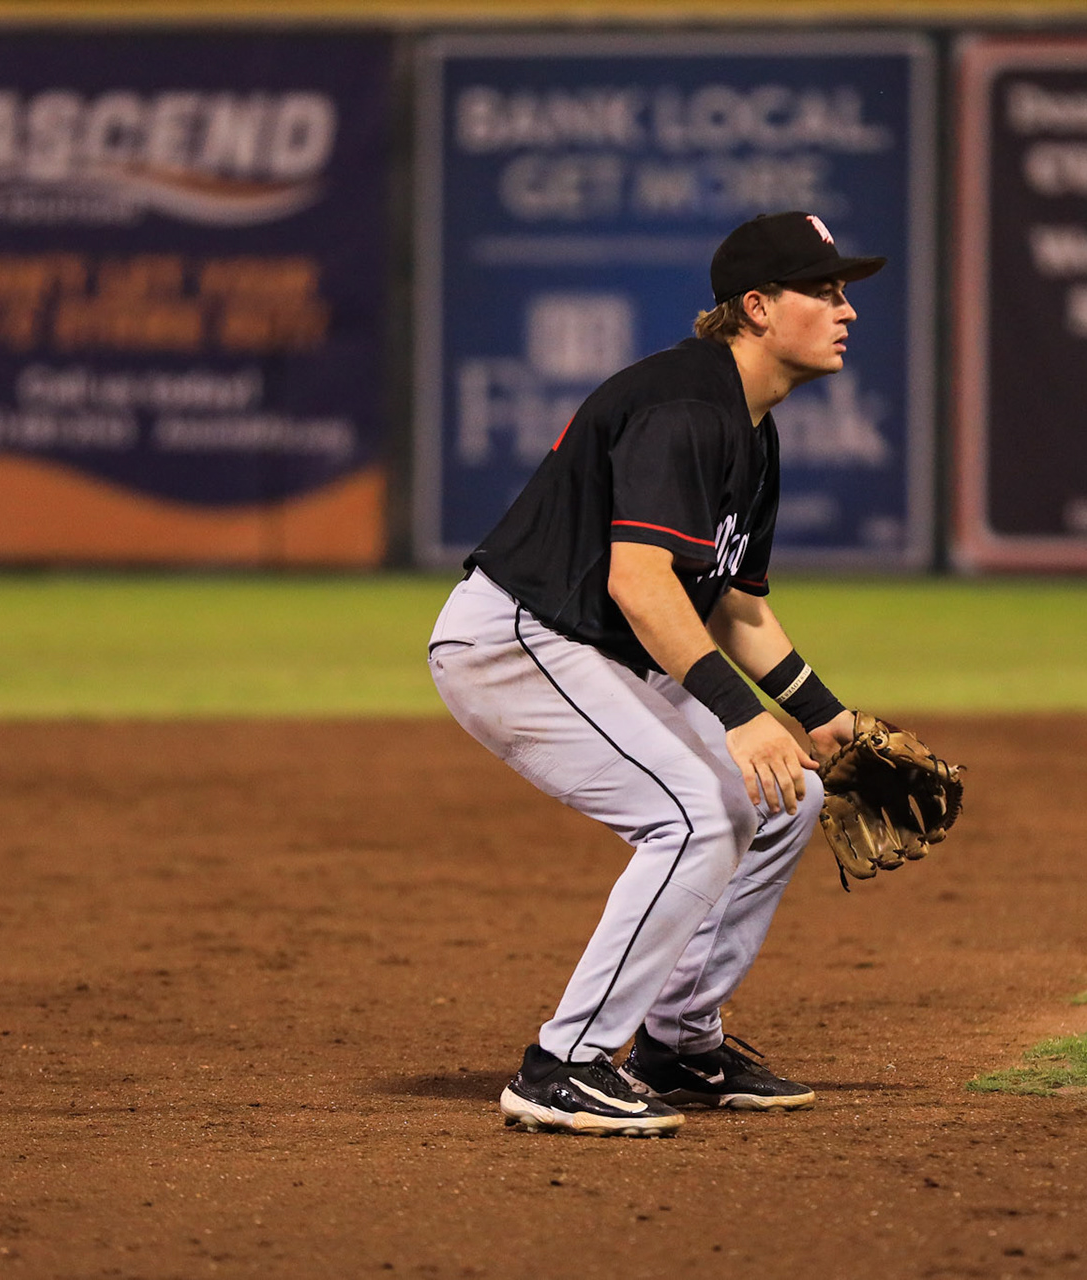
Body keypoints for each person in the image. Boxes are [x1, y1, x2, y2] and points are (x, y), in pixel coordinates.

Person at [428, 211, 883, 1137]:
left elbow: (734, 606)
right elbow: (640, 585)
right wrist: (739, 716)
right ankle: (565, 1063)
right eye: (825, 292)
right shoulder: (686, 407)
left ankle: (678, 1043)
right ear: (757, 307)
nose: (847, 312)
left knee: (785, 797)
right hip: (519, 640)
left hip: (590, 646)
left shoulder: (752, 430)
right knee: (698, 812)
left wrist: (827, 719)